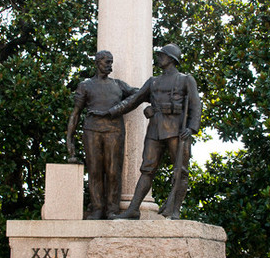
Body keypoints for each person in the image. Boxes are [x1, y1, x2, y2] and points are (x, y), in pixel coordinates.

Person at [98, 44, 201, 220]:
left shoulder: (186, 80)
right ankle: (133, 209)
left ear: (171, 59)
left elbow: (196, 104)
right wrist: (110, 112)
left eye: (162, 55)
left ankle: (175, 210)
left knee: (181, 171)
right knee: (147, 169)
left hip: (178, 130)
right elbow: (133, 101)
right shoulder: (153, 82)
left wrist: (191, 128)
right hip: (155, 130)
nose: (159, 58)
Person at [66, 50, 137, 219]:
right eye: (107, 62)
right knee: (95, 170)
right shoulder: (85, 85)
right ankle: (97, 208)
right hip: (92, 130)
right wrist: (69, 138)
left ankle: (112, 209)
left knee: (113, 171)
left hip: (114, 130)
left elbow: (138, 94)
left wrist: (121, 107)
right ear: (97, 63)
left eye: (111, 62)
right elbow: (75, 113)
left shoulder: (119, 85)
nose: (110, 66)